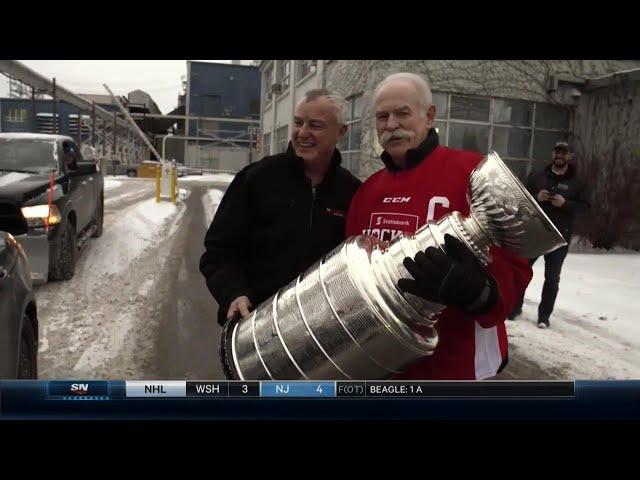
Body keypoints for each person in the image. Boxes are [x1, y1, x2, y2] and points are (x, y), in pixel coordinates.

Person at [345, 73, 532, 380]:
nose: (391, 124)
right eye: (382, 116)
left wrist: (477, 292)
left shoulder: (474, 173)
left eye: (403, 113)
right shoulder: (367, 192)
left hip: (459, 367)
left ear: (429, 116)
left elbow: (517, 265)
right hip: (388, 364)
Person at [200, 89, 361, 326]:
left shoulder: (352, 192)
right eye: (298, 122)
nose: (302, 133)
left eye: (315, 125)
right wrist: (233, 293)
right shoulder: (257, 179)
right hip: (252, 327)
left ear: (341, 132)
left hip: (321, 333)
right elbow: (218, 252)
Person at [509, 141, 589, 328]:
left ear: (570, 157)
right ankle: (514, 308)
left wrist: (565, 203)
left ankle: (544, 317)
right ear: (553, 154)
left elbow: (585, 207)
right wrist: (537, 197)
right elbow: (520, 198)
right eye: (557, 152)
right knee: (520, 271)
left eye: (564, 153)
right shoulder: (538, 176)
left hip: (559, 237)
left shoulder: (577, 183)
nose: (560, 155)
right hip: (535, 233)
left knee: (552, 278)